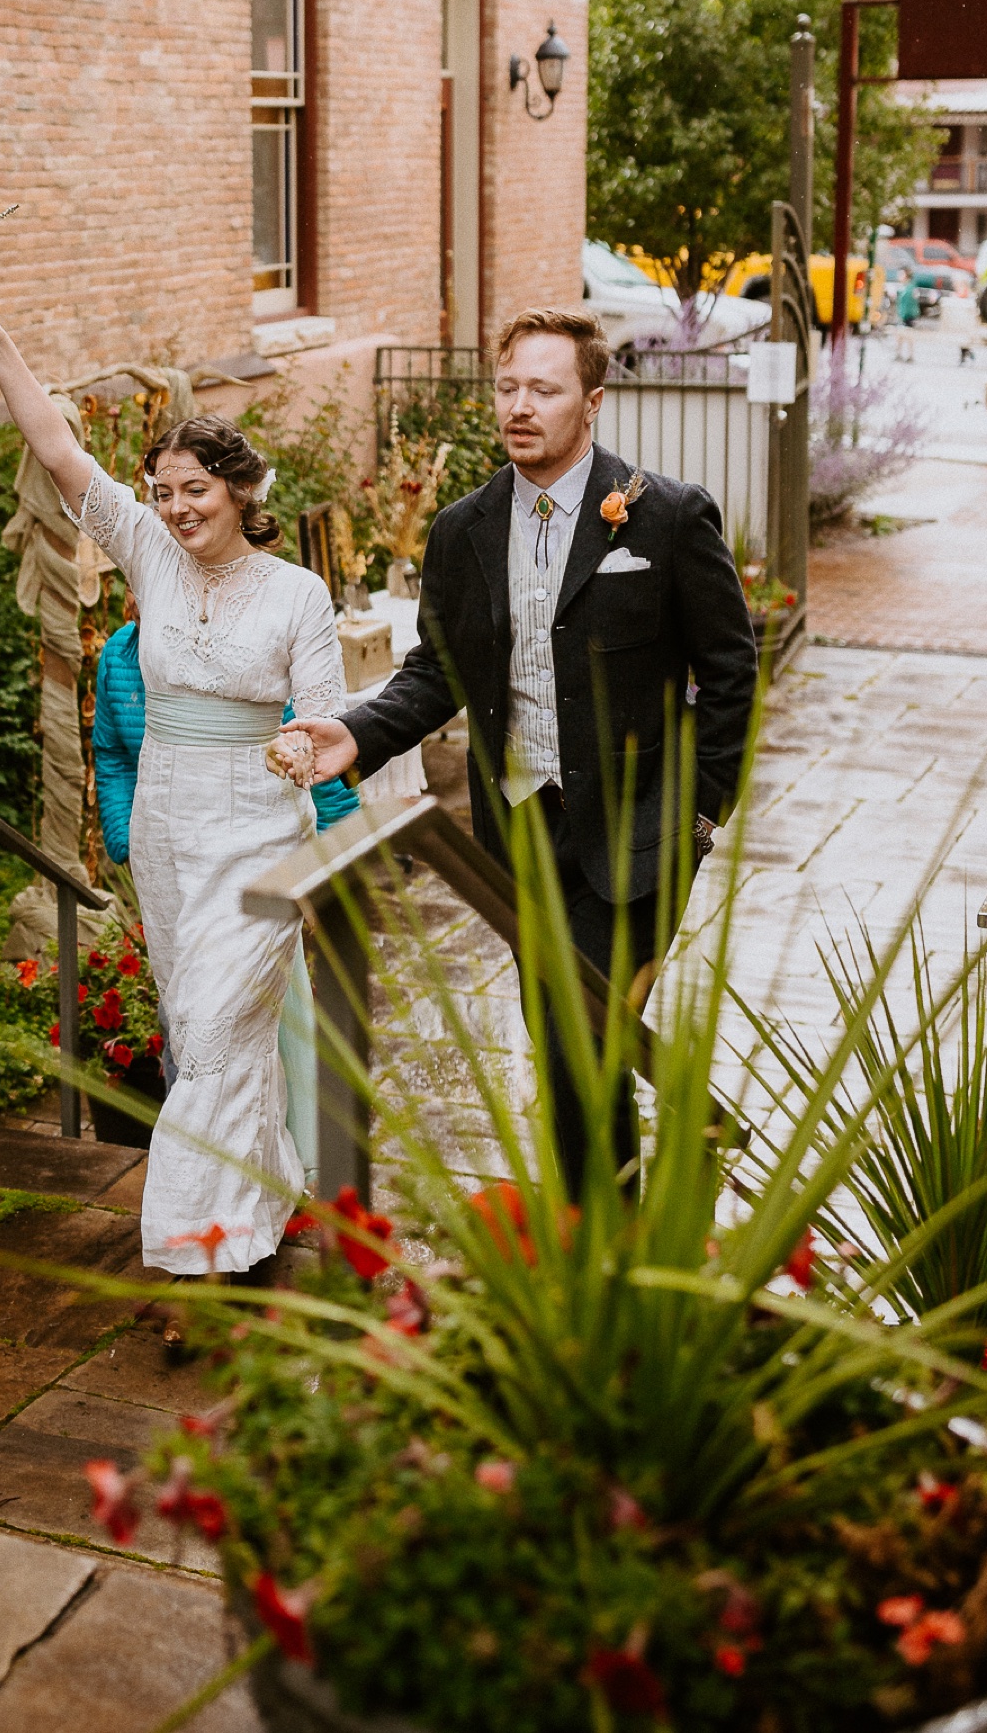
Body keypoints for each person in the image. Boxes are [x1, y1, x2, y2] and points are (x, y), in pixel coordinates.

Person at [293, 305, 758, 1183]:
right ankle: (603, 1224)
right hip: (518, 836)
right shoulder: (463, 531)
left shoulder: (666, 519)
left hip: (640, 833)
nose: (520, 406)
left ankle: (598, 1226)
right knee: (564, 1037)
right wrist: (356, 733)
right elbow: (440, 671)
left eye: (544, 389)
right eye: (508, 387)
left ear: (593, 402)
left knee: (584, 1030)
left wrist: (702, 814)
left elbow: (730, 673)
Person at [0, 295, 345, 1282]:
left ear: (243, 489)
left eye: (195, 489)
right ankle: (249, 1224)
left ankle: (184, 1252)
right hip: (168, 838)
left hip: (260, 838)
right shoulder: (150, 560)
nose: (176, 509)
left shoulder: (299, 593)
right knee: (215, 1038)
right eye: (163, 491)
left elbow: (326, 724)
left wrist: (302, 756)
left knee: (211, 1036)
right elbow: (54, 446)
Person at [91, 601, 359, 1178]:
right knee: (182, 1014)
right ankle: (204, 1166)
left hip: (246, 866)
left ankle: (295, 1157)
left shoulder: (240, 656)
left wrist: (330, 866)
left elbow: (311, 761)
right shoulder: (119, 656)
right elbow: (112, 756)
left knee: (262, 1015)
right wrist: (127, 841)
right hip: (167, 870)